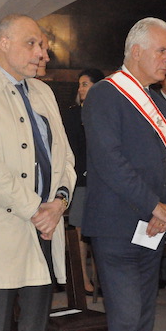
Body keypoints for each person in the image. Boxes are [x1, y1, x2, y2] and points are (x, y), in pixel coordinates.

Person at [0, 14, 76, 331]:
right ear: (4, 43)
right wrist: (37, 210)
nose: (42, 53)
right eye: (32, 44)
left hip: (46, 227)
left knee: (35, 326)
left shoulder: (43, 92)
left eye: (43, 46)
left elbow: (65, 157)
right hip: (4, 228)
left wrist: (59, 203)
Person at [82, 17, 166, 331]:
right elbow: (110, 161)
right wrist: (155, 206)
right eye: (162, 51)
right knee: (126, 319)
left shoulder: (158, 101)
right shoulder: (104, 94)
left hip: (153, 226)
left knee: (143, 319)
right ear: (137, 52)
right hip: (116, 226)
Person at [62, 67, 104, 295]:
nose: (80, 88)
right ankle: (82, 280)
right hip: (80, 179)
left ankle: (101, 279)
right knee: (79, 229)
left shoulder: (106, 112)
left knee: (100, 231)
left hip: (103, 180)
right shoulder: (72, 114)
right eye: (79, 84)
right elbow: (71, 149)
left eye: (85, 84)